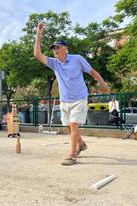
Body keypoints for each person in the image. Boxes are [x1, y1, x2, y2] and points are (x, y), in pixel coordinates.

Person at [34, 23, 111, 166]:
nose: (55, 50)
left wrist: (103, 84)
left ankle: (72, 155)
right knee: (68, 126)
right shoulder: (54, 63)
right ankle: (81, 143)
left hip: (80, 98)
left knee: (74, 125)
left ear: (65, 49)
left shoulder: (77, 59)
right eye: (53, 48)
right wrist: (39, 34)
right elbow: (37, 54)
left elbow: (92, 72)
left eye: (58, 47)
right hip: (65, 100)